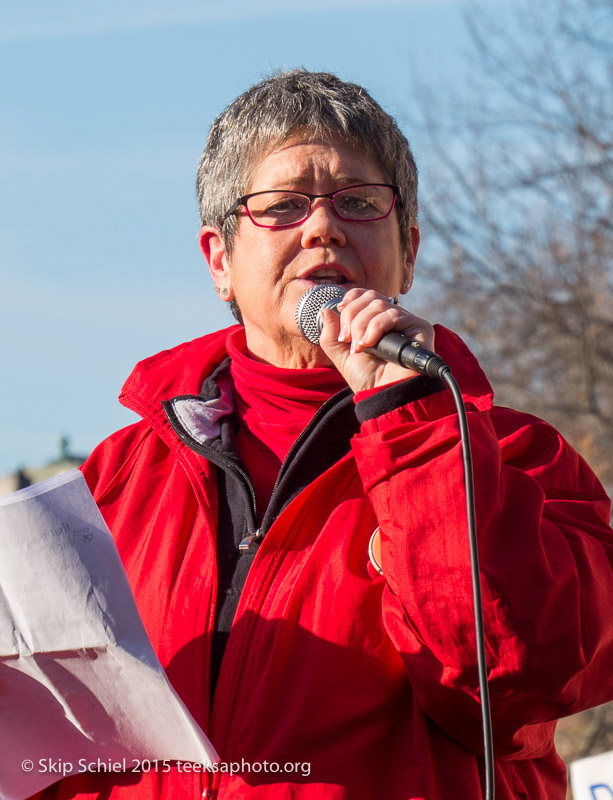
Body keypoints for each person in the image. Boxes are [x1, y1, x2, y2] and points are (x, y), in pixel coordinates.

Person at [43, 70, 612, 800]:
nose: (322, 227)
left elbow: (519, 681)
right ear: (219, 259)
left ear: (406, 249)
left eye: (357, 203)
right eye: (281, 206)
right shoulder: (115, 481)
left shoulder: (516, 460)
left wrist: (410, 424)